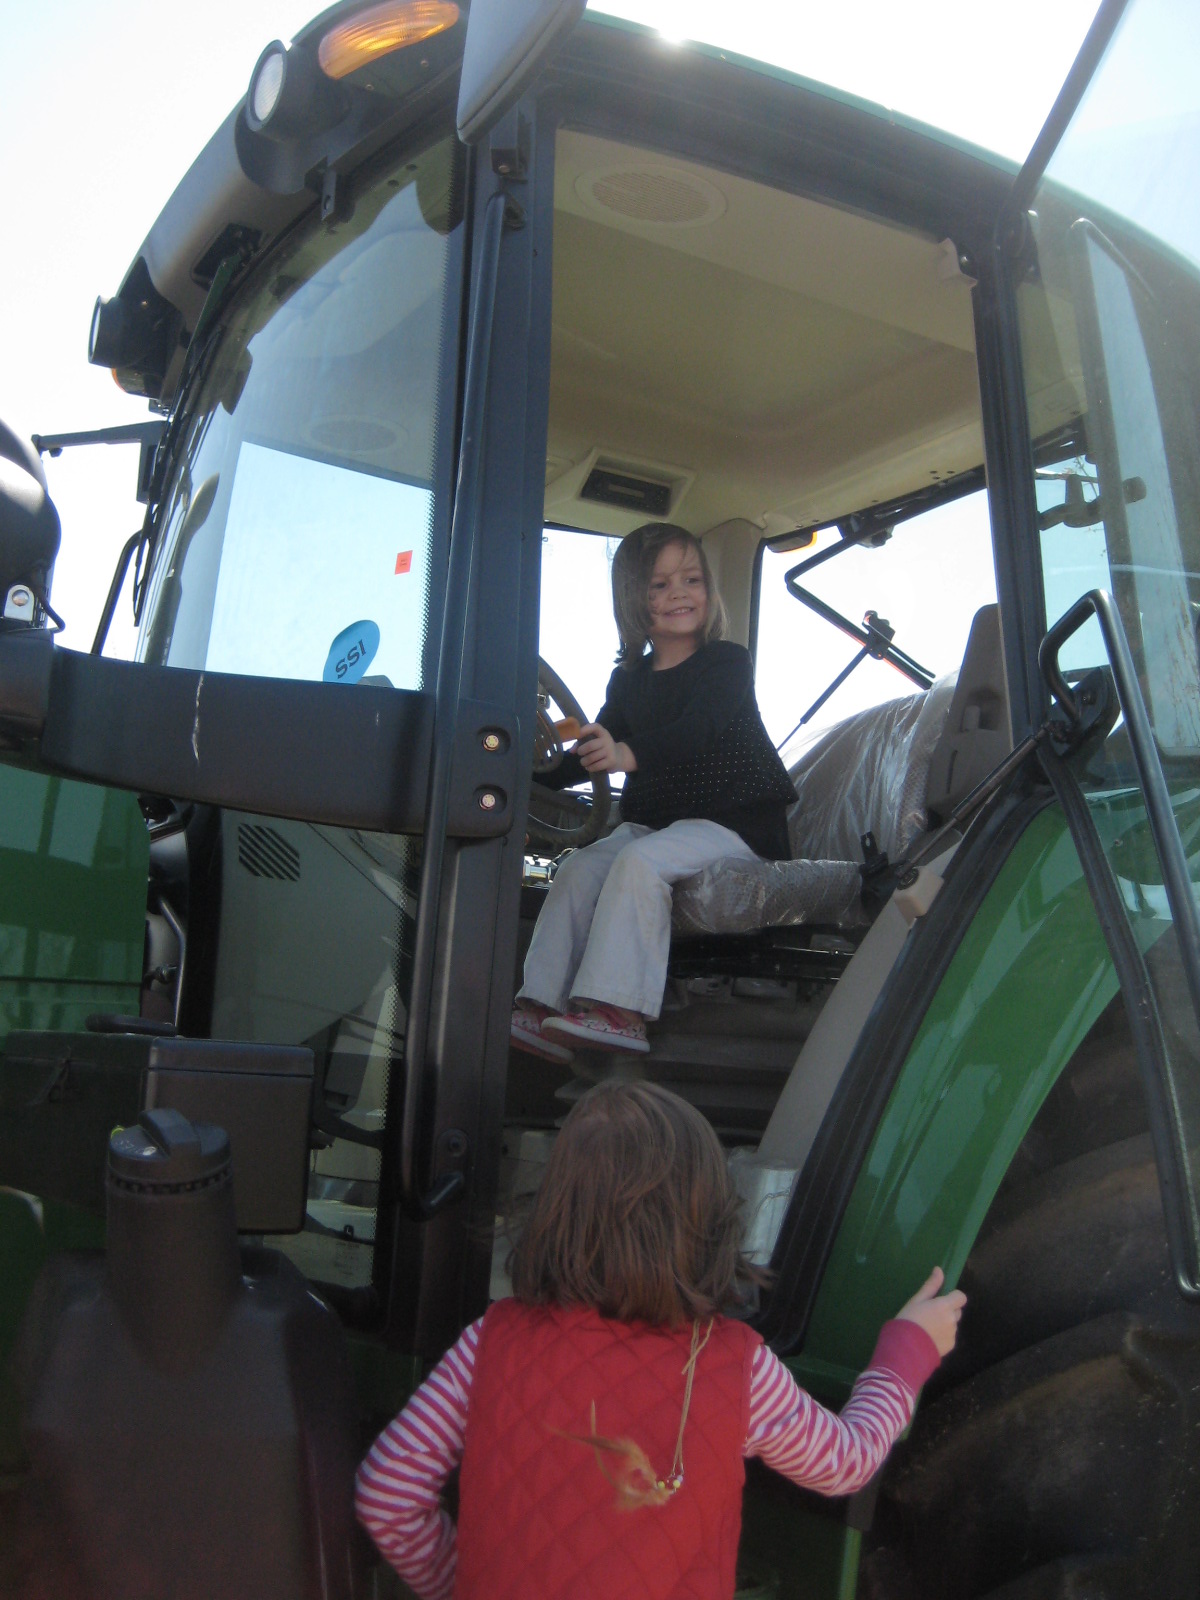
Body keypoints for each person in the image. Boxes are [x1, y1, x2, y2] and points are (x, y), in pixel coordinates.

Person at [356, 1080, 966, 1600]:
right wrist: (907, 1350)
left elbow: (387, 1495)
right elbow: (844, 1464)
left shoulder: (489, 1342)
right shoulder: (737, 1366)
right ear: (705, 1221)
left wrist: (457, 1584)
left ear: (555, 1210)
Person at [512, 521, 797, 1059]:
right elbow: (592, 753)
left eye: (691, 580)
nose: (679, 595)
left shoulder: (726, 662)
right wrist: (523, 769)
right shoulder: (629, 680)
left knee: (638, 863)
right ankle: (541, 1003)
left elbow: (697, 730)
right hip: (659, 826)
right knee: (578, 868)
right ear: (633, 601)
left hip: (734, 823)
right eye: (659, 586)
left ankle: (621, 1012)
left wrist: (626, 754)